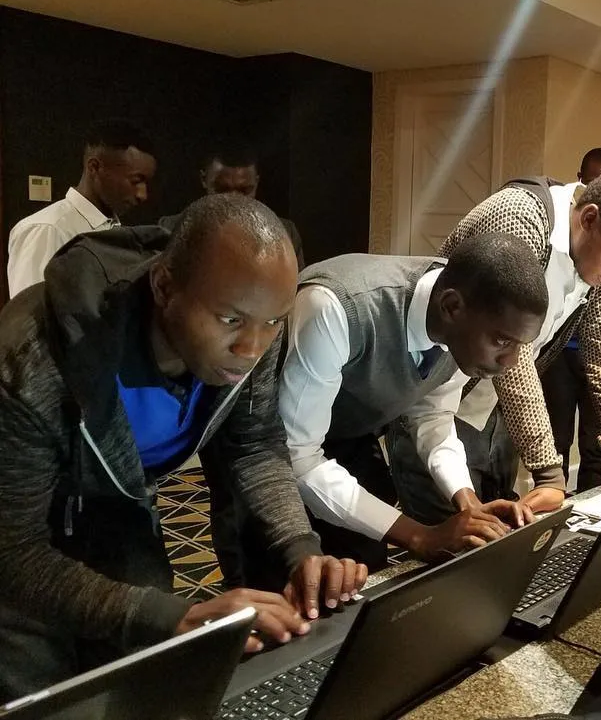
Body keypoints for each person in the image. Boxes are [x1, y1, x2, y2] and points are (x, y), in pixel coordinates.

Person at [0, 195, 359, 701]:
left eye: (274, 322)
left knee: (136, 683)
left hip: (117, 508)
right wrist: (171, 615)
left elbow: (253, 445)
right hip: (17, 531)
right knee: (37, 691)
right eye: (230, 320)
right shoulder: (31, 357)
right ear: (164, 287)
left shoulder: (256, 323)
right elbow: (13, 552)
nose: (252, 348)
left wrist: (299, 546)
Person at [389, 167, 601, 523]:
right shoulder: (519, 217)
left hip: (498, 413)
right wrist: (548, 471)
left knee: (497, 530)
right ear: (589, 219)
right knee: (448, 535)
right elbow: (514, 353)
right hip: (438, 409)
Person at [260, 233, 549, 575]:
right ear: (451, 307)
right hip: (263, 451)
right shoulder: (335, 308)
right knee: (275, 582)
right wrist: (420, 536)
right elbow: (299, 458)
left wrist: (468, 501)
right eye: (502, 341)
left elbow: (433, 416)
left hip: (347, 436)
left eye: (520, 345)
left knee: (363, 572)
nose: (511, 361)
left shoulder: (464, 317)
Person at [542, 147, 601, 491]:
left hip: (592, 359)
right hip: (557, 357)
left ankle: (589, 502)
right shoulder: (548, 232)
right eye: (592, 183)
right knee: (556, 436)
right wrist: (547, 476)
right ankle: (553, 495)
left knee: (594, 443)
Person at [7, 119, 156, 297]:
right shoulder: (48, 229)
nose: (142, 194)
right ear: (94, 167)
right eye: (135, 181)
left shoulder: (114, 229)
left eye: (146, 183)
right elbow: (29, 312)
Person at [160, 146, 305, 269]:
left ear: (257, 182)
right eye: (222, 190)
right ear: (204, 180)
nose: (233, 200)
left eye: (244, 190)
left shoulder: (285, 233)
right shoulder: (170, 230)